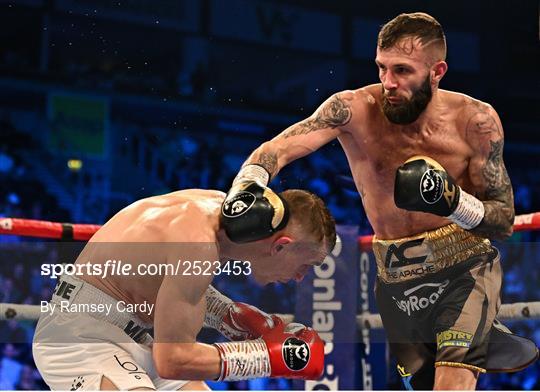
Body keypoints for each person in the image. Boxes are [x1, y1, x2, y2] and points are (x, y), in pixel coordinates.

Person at [221, 12, 538, 390]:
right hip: (393, 277)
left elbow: (503, 221)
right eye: (381, 68)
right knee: (422, 385)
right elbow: (279, 148)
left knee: (452, 382)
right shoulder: (353, 110)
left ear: (437, 71)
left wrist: (452, 202)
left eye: (402, 70)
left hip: (464, 269)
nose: (388, 82)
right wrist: (246, 188)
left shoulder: (476, 121)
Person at [33, 187, 336, 390]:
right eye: (306, 264)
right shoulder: (199, 243)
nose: (300, 277)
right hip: (80, 337)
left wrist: (226, 314)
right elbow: (173, 360)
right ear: (281, 246)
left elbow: (161, 274)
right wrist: (265, 357)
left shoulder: (220, 213)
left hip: (131, 334)